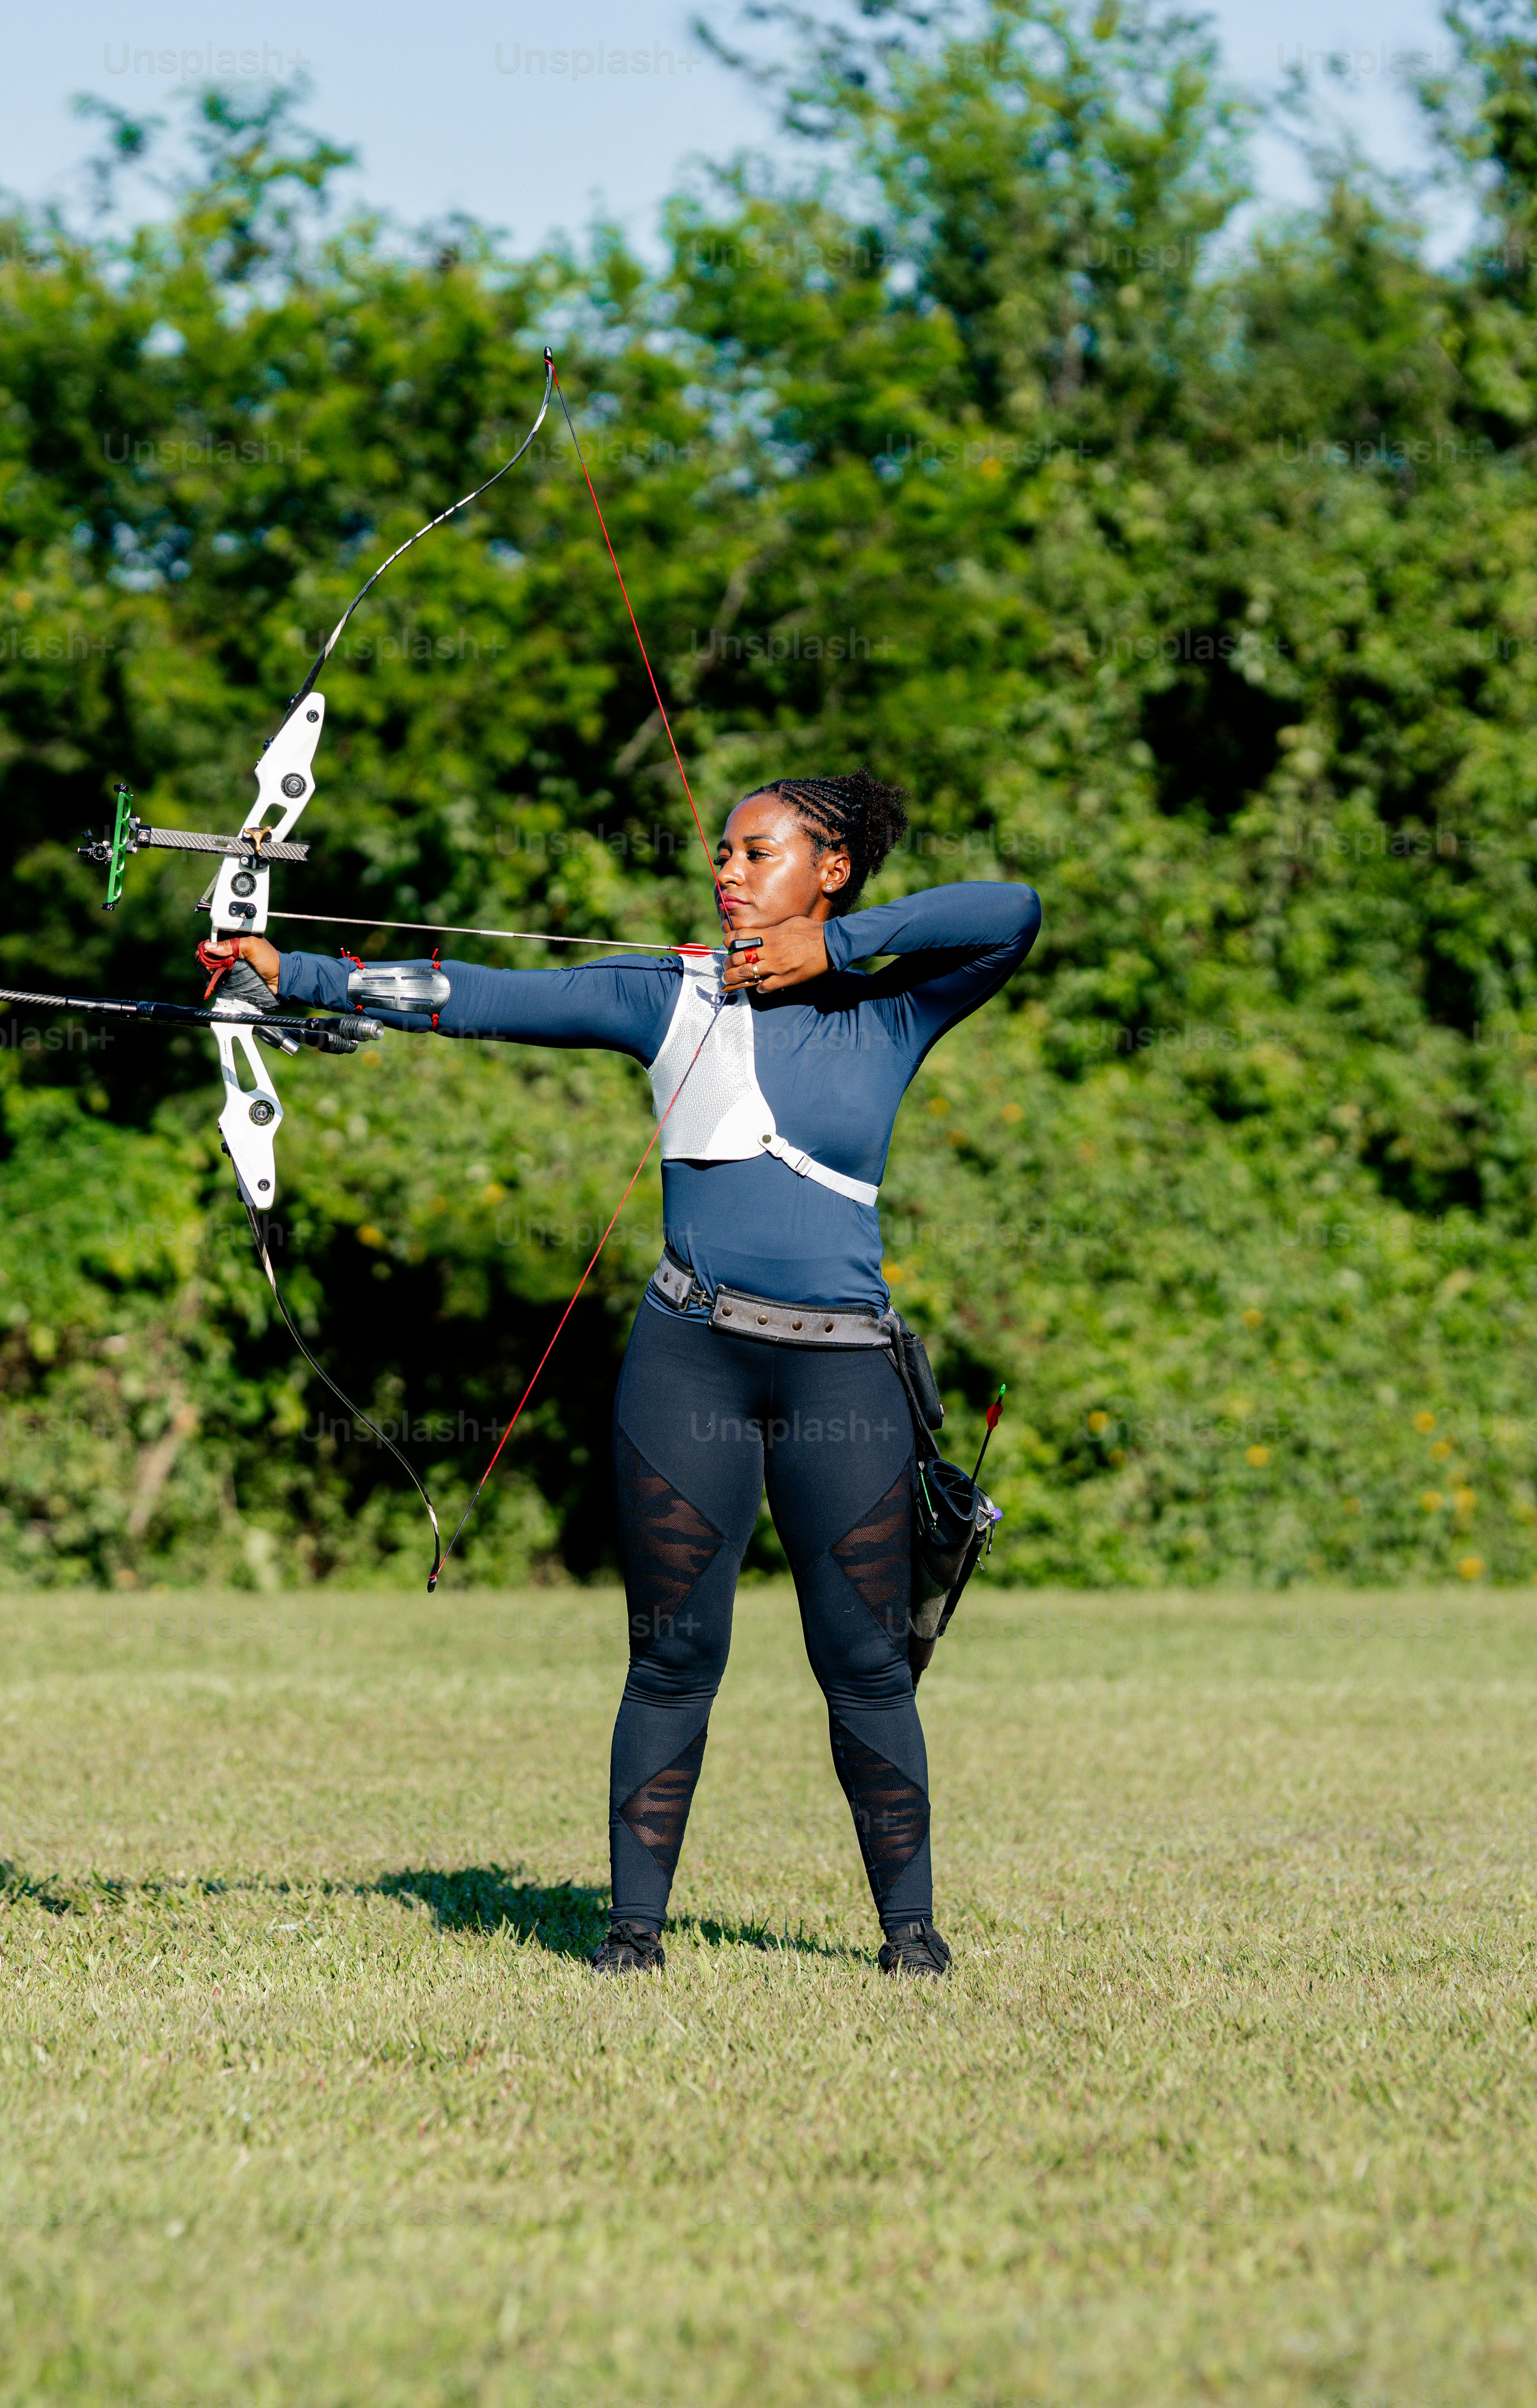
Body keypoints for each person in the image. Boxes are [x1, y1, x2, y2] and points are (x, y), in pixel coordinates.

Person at [202, 776, 1037, 1978]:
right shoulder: (669, 992)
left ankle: (910, 1941)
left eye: (760, 854)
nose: (728, 872)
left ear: (833, 867)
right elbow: (479, 995)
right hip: (687, 1355)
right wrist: (296, 978)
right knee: (668, 1656)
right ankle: (631, 1937)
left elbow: (1010, 908)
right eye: (722, 854)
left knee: (862, 1666)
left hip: (842, 1377)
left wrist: (829, 951)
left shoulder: (891, 1010)